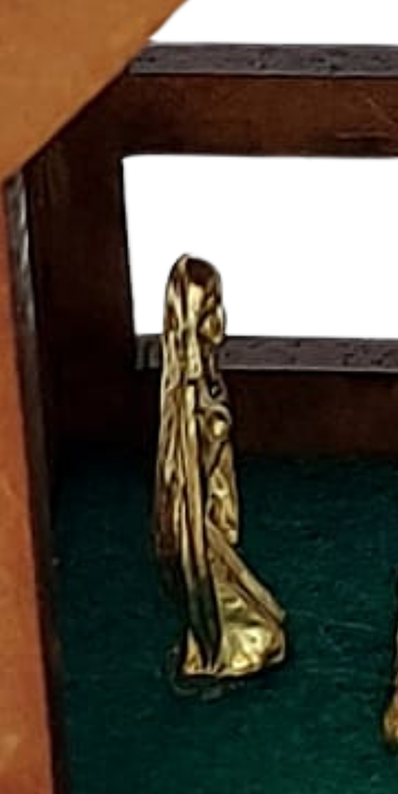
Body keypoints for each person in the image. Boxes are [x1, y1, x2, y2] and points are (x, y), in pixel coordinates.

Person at [151, 254, 286, 683]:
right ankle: (213, 649)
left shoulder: (208, 382)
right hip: (207, 541)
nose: (222, 322)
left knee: (268, 625)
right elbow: (187, 500)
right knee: (262, 635)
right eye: (211, 311)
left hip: (219, 526)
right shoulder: (188, 405)